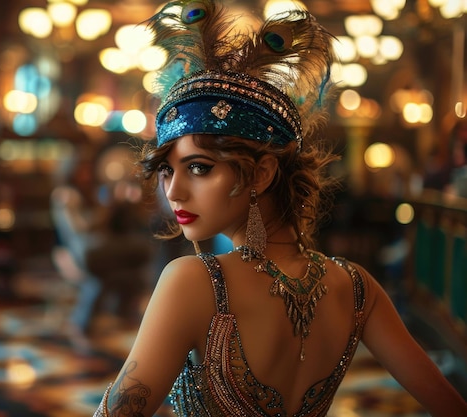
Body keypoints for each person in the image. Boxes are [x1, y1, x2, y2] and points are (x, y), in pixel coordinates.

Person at [93, 1, 467, 416]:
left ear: (260, 174)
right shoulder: (357, 288)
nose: (174, 191)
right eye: (167, 170)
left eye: (199, 168)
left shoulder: (193, 281)